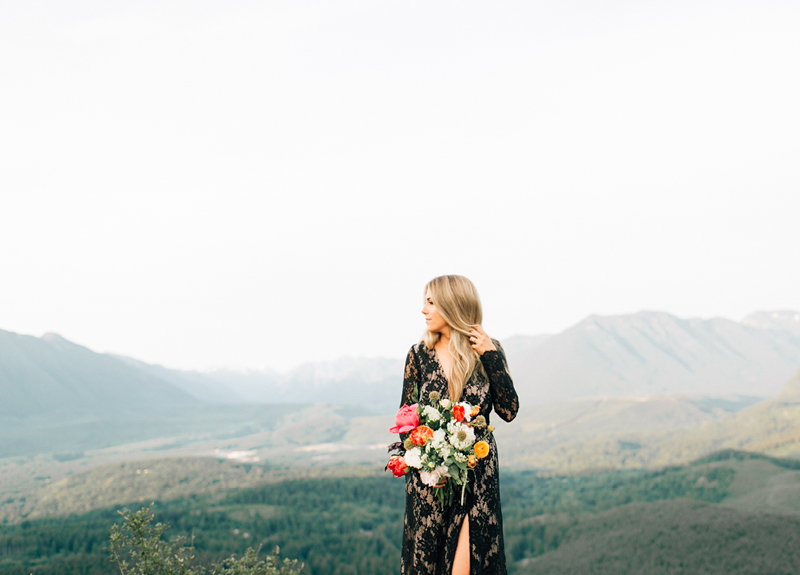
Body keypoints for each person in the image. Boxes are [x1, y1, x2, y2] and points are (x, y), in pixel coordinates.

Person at [399, 274, 519, 575]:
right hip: (431, 482)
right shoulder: (418, 355)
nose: (423, 310)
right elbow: (406, 422)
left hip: (476, 479)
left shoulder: (487, 352)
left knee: (467, 567)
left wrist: (490, 355)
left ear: (452, 306)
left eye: (431, 302)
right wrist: (422, 464)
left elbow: (508, 410)